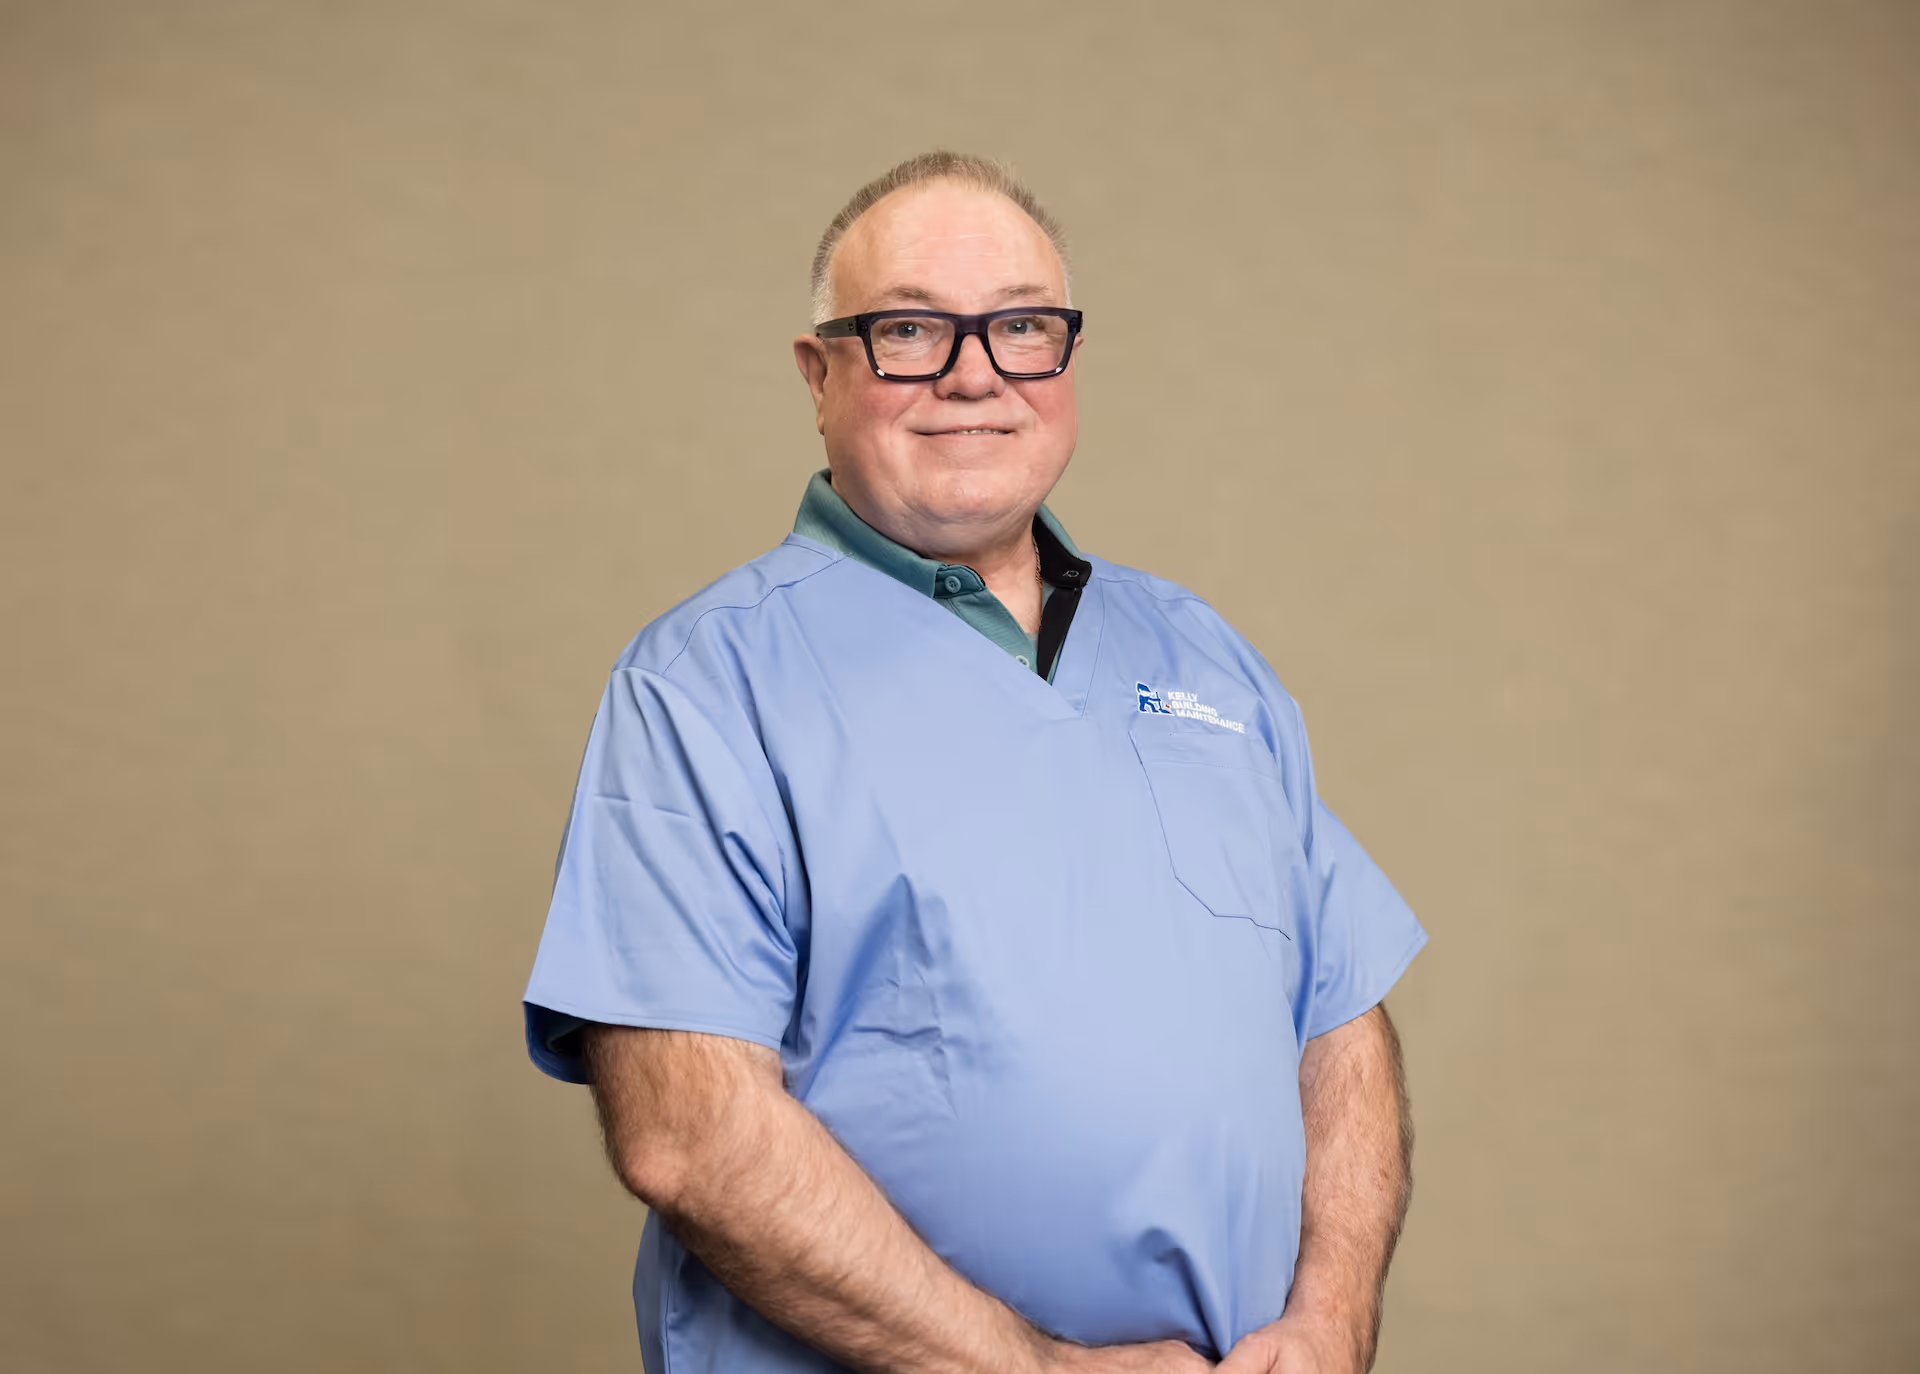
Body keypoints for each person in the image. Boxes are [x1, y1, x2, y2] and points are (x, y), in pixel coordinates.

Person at [522, 151, 1427, 1374]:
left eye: (1020, 327)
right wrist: (1037, 1373)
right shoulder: (704, 685)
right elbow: (691, 1138)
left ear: (1067, 359)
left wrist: (1328, 1321)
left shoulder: (1201, 653)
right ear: (819, 371)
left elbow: (1340, 1021)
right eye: (907, 330)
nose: (972, 375)